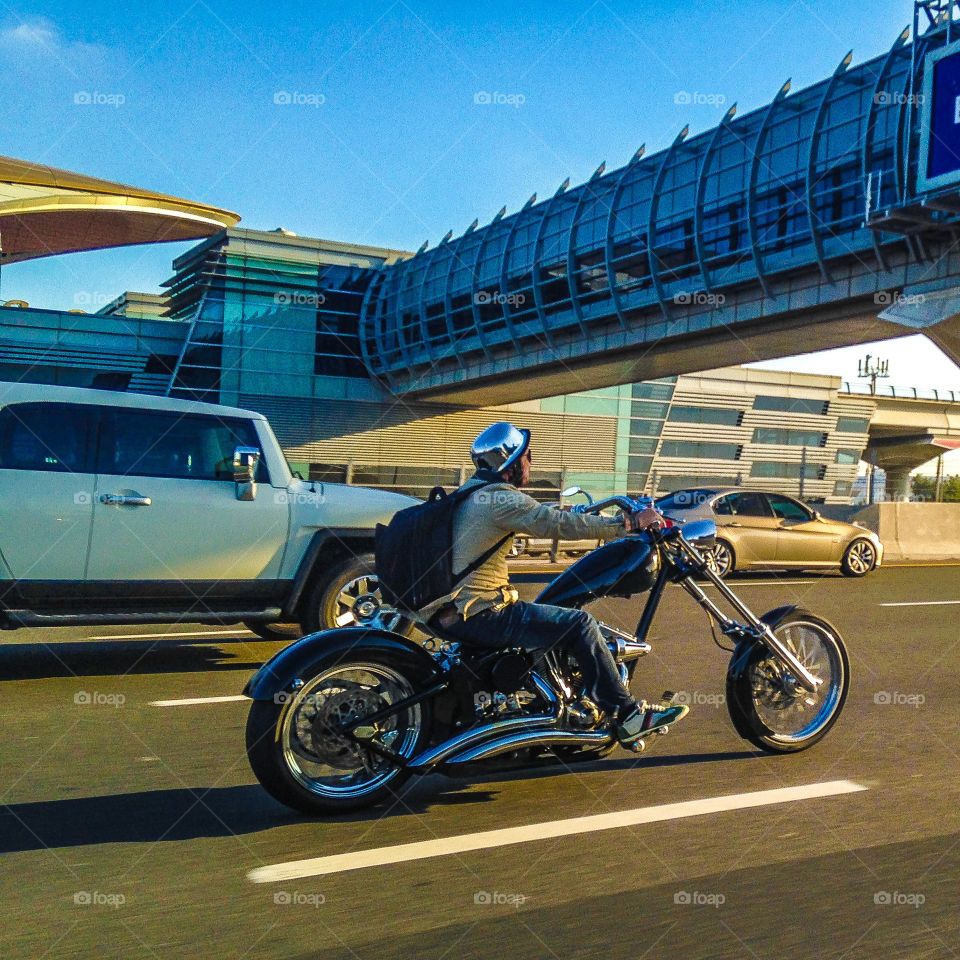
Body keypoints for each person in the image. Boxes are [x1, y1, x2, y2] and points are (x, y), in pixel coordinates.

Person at [425, 421, 688, 748]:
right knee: (579, 623)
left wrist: (577, 510)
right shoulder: (500, 497)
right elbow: (556, 524)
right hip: (483, 612)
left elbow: (538, 513)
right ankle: (627, 714)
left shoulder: (470, 494)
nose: (531, 462)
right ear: (511, 463)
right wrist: (631, 523)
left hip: (449, 611)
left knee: (551, 616)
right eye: (527, 455)